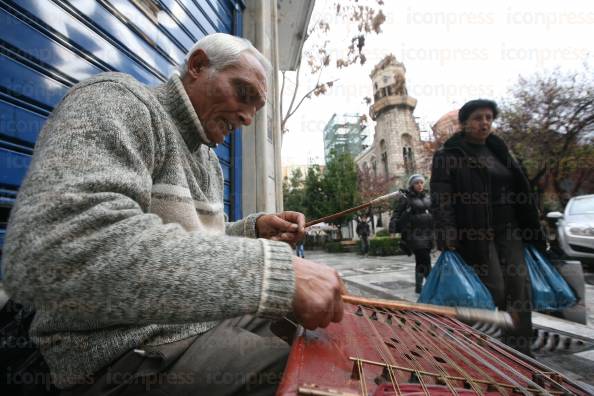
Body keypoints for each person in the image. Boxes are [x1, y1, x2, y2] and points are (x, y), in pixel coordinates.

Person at [1, 33, 345, 395]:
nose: (246, 117)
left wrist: (252, 231)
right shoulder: (117, 102)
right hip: (117, 350)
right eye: (243, 94)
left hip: (194, 320)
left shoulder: (208, 161)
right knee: (312, 383)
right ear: (197, 66)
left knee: (319, 337)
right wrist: (272, 271)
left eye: (256, 110)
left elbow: (189, 245)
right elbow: (54, 251)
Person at [430, 99, 546, 356]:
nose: (484, 123)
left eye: (488, 118)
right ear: (464, 123)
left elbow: (521, 190)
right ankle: (475, 349)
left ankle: (521, 352)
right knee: (494, 288)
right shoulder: (447, 156)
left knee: (519, 289)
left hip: (510, 230)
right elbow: (441, 200)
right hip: (475, 233)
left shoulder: (500, 151)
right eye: (478, 118)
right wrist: (447, 235)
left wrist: (533, 225)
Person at [389, 175, 434, 293]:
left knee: (422, 260)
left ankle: (419, 287)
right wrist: (392, 230)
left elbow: (435, 212)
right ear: (412, 185)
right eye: (417, 183)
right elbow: (396, 214)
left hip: (428, 234)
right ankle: (430, 284)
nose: (420, 185)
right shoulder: (406, 198)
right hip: (414, 234)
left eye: (421, 182)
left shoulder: (427, 197)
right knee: (424, 257)